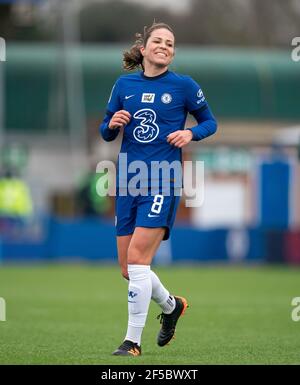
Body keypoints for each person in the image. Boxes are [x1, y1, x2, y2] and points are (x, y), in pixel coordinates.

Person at [99, 21, 217, 356]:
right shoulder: (124, 84)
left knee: (138, 259)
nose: (165, 46)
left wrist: (191, 133)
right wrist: (112, 124)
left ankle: (132, 342)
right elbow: (105, 129)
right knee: (128, 269)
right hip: (128, 181)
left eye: (170, 43)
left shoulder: (183, 85)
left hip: (162, 180)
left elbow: (210, 121)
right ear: (145, 49)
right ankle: (171, 306)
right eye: (159, 41)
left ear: (172, 52)